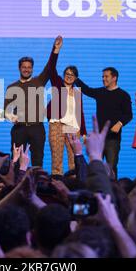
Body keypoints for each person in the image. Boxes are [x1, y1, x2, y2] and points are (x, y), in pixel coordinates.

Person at [4, 36, 61, 167]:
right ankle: (16, 186)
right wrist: (10, 116)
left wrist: (56, 49)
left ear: (32, 69)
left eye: (29, 67)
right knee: (17, 161)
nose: (26, 69)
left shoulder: (39, 81)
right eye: (24, 67)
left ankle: (38, 186)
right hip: (19, 129)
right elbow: (6, 109)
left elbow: (50, 66)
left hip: (37, 128)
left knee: (37, 161)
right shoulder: (12, 87)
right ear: (19, 68)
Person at [75, 67, 132, 178]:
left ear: (114, 78)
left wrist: (120, 124)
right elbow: (87, 90)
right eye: (102, 76)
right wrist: (75, 78)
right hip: (98, 139)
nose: (103, 79)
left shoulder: (123, 95)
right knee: (96, 166)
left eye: (106, 76)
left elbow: (128, 115)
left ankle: (112, 191)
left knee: (111, 167)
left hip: (113, 139)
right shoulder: (101, 92)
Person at [46, 36, 87, 175]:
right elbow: (51, 68)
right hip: (57, 125)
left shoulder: (77, 92)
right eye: (67, 73)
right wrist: (56, 49)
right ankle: (58, 187)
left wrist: (84, 132)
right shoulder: (57, 84)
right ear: (63, 75)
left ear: (76, 78)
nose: (69, 76)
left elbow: (80, 113)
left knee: (74, 160)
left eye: (72, 75)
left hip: (72, 127)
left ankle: (74, 188)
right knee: (57, 161)